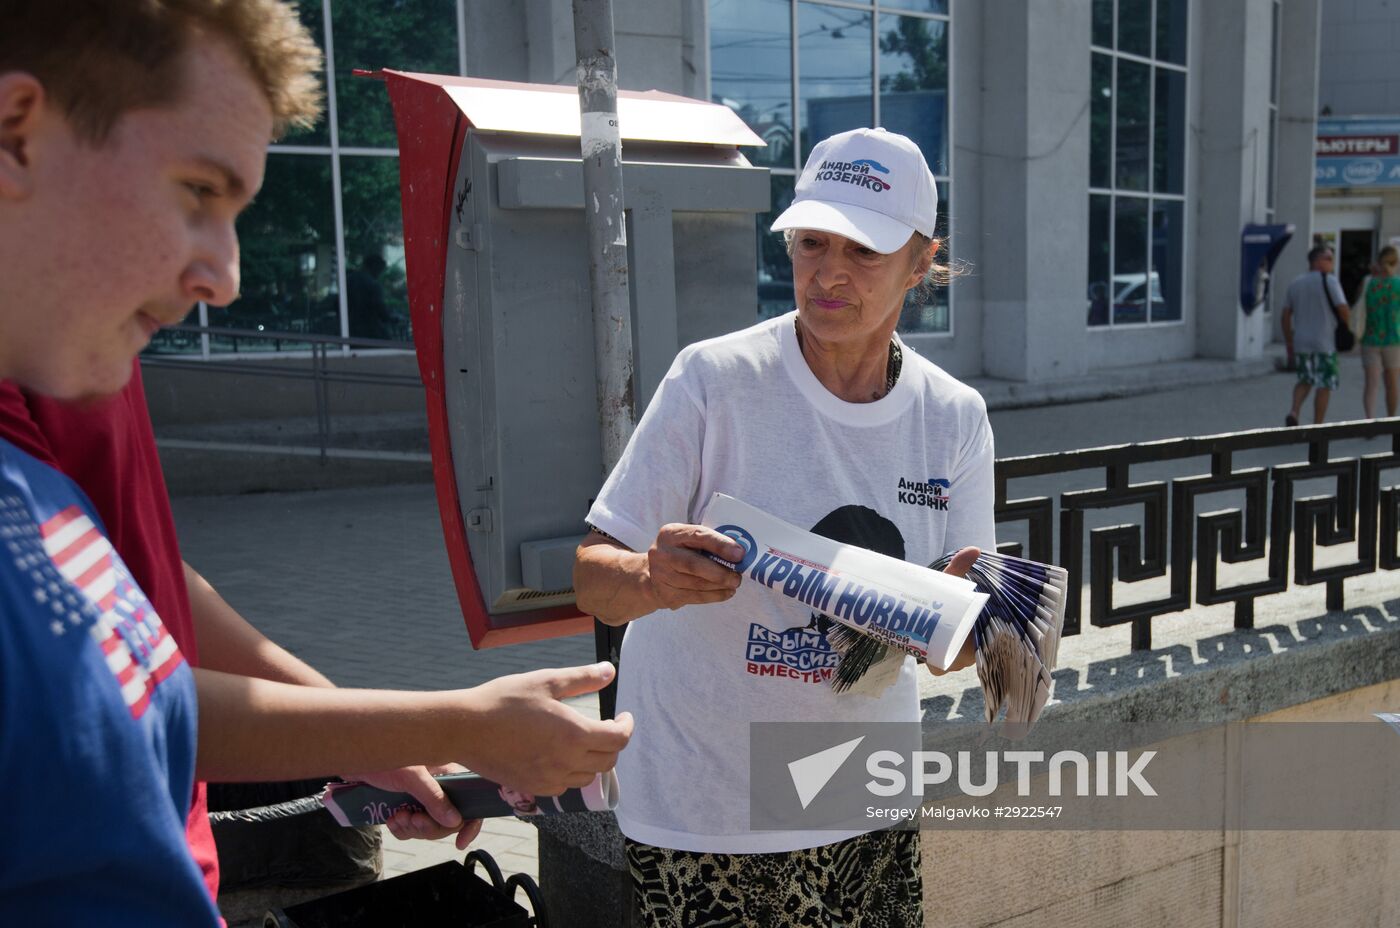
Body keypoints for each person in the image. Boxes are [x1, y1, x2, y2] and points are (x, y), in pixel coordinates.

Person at [0, 2, 630, 921]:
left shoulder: (70, 344)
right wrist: (455, 723)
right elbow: (129, 705)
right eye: (196, 192)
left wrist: (355, 727)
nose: (225, 276)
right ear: (19, 132)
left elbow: (129, 598)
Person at [573, 127, 991, 927]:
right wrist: (651, 578)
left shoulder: (953, 418)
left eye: (864, 251)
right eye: (810, 242)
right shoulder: (715, 380)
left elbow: (963, 649)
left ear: (920, 261)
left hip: (861, 795)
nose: (829, 273)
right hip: (707, 802)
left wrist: (969, 623)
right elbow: (595, 575)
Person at [1282, 244, 1351, 426]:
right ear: (1317, 261)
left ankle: (1294, 411)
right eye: (1328, 258)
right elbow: (1343, 308)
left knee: (1305, 379)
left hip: (1302, 342)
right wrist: (1346, 324)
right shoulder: (1330, 281)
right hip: (1325, 342)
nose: (1331, 263)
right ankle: (1317, 426)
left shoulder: (1296, 282)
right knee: (1324, 384)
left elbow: (1285, 315)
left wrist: (1289, 342)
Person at [1360, 245, 1400, 419]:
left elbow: (1358, 305)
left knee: (1371, 384)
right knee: (1392, 383)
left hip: (1370, 338)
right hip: (1394, 339)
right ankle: (1391, 419)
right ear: (1396, 262)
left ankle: (1369, 421)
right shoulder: (1398, 284)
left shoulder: (1369, 282)